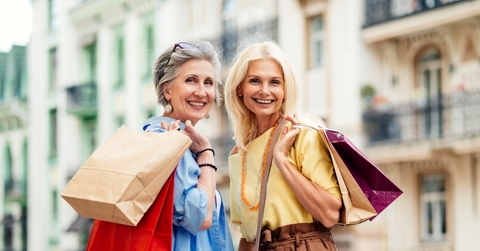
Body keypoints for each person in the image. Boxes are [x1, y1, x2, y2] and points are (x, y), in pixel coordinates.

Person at [224, 41, 342, 250]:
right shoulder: (238, 155)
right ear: (240, 88)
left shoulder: (302, 133)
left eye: (275, 82)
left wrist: (282, 162)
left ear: (285, 90)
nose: (264, 90)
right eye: (255, 81)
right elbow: (248, 237)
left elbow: (330, 214)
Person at [143, 41, 234, 251]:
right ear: (167, 90)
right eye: (191, 80)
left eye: (209, 82)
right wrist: (207, 154)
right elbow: (200, 218)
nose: (202, 92)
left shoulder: (183, 141)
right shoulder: (165, 140)